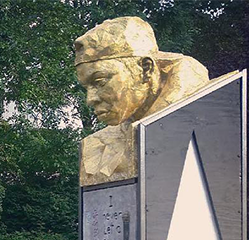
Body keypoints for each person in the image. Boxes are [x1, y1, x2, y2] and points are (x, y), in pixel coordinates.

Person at [74, 16, 209, 185]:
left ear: (145, 69)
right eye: (86, 87)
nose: (90, 99)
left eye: (100, 82)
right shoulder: (95, 146)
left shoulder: (191, 115)